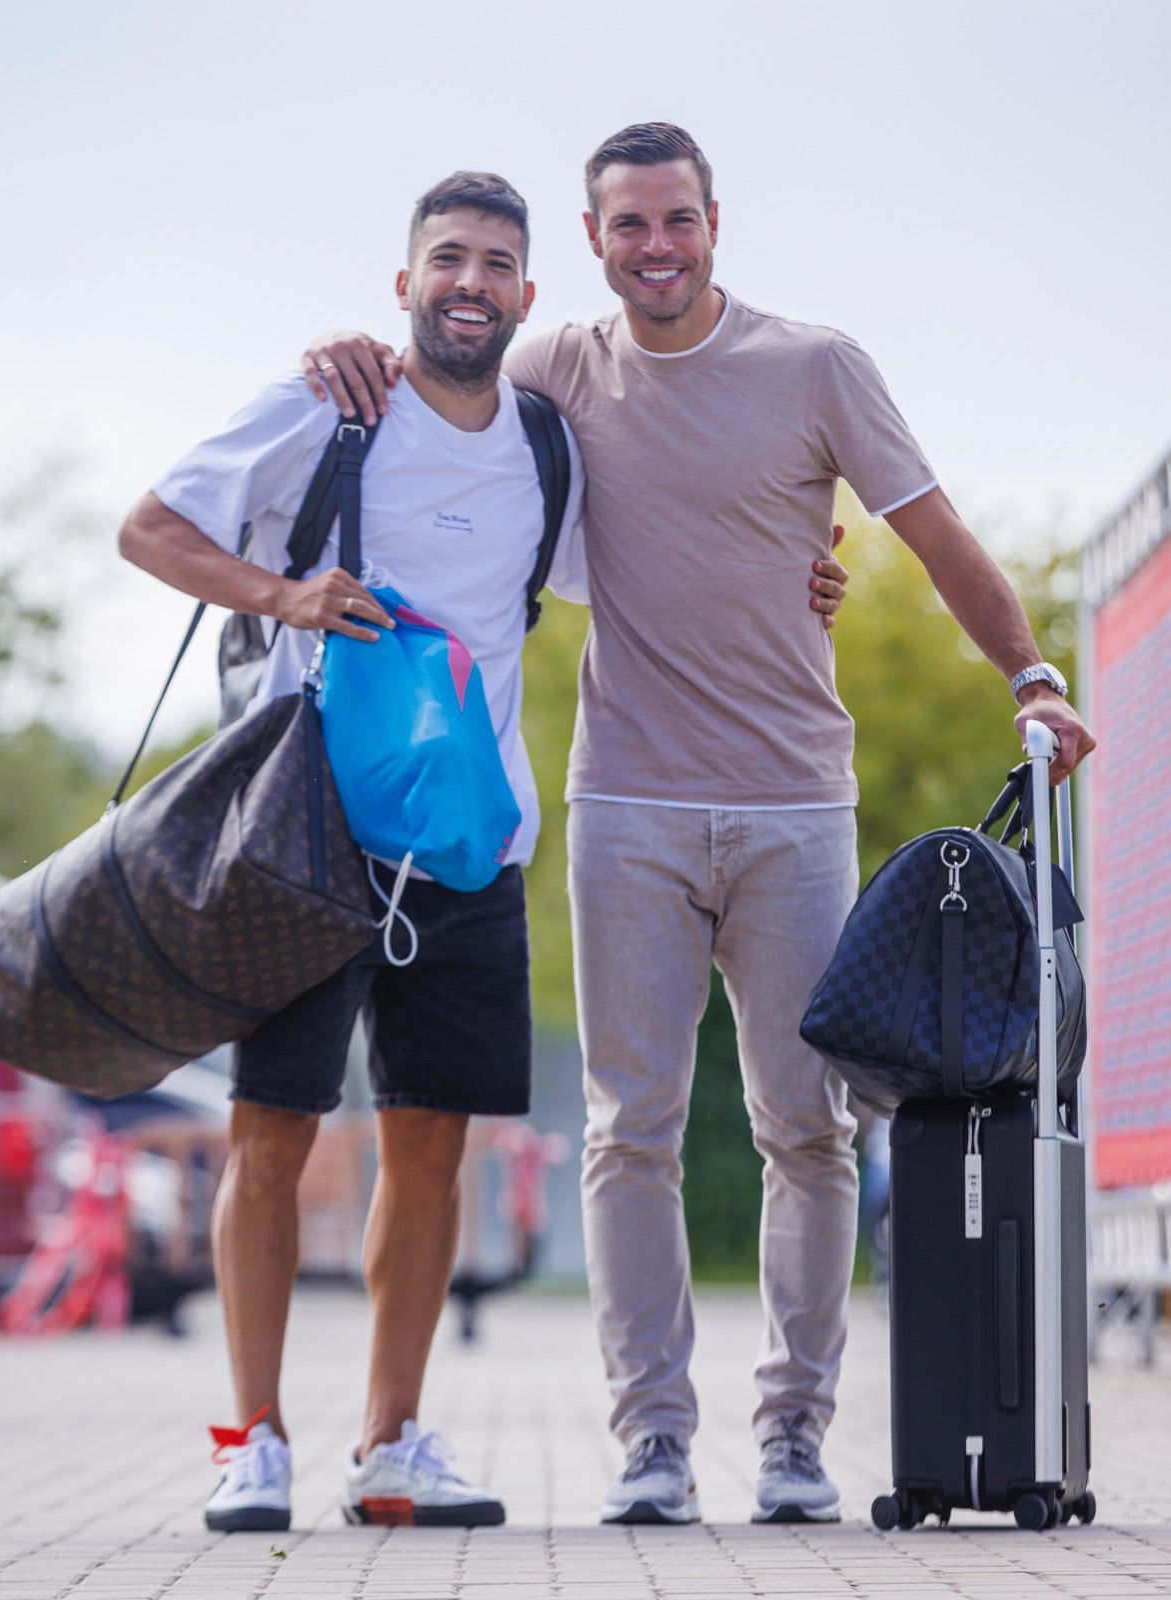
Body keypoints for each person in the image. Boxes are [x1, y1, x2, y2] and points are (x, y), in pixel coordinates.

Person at [299, 122, 1095, 1528]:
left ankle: (791, 1437)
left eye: (676, 221)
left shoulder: (812, 365)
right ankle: (651, 1444)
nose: (654, 248)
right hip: (626, 807)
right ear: (593, 248)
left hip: (794, 801)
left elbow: (929, 527)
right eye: (626, 228)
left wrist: (1028, 674)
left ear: (714, 224)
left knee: (806, 1130)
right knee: (629, 1132)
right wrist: (334, 354)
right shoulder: (560, 366)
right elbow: (441, 357)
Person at [117, 167, 850, 1534]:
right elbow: (148, 528)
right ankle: (250, 1440)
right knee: (269, 1136)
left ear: (527, 291)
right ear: (402, 285)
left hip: (471, 850)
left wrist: (805, 564)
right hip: (301, 840)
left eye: (495, 264)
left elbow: (652, 556)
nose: (469, 283)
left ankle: (389, 1444)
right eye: (444, 259)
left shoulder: (540, 444)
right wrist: (282, 593)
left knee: (431, 1150)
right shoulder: (322, 408)